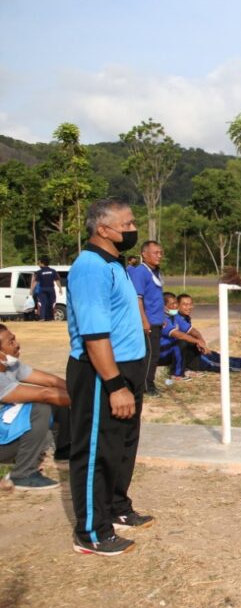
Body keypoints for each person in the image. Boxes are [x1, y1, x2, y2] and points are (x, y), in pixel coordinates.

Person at [66, 198, 152, 556]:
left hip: (127, 368)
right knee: (97, 451)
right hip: (102, 372)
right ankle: (92, 532)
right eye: (126, 224)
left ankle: (116, 506)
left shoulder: (114, 262)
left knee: (122, 445)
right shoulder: (90, 267)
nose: (133, 230)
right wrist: (115, 385)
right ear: (103, 229)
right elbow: (94, 335)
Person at [0, 325, 70, 490]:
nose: (17, 344)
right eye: (11, 342)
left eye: (15, 339)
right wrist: (87, 401)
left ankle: (64, 450)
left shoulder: (11, 366)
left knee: (57, 398)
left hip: (6, 434)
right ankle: (23, 474)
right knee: (40, 407)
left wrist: (78, 391)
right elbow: (44, 394)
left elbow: (50, 381)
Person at [174, 293, 241, 374]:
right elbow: (182, 337)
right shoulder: (176, 318)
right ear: (177, 305)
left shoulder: (185, 317)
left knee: (214, 355)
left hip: (192, 350)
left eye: (190, 304)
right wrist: (198, 343)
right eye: (185, 304)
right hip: (187, 356)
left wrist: (201, 343)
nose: (189, 307)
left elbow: (193, 332)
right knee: (211, 363)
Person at [128, 240, 166, 396]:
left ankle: (149, 383)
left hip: (157, 321)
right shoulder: (140, 272)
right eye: (155, 253)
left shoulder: (155, 272)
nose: (159, 256)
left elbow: (155, 298)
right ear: (144, 254)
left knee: (155, 354)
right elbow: (138, 299)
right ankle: (146, 386)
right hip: (148, 323)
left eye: (160, 253)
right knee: (150, 355)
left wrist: (162, 317)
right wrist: (144, 321)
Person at [29, 256, 61, 322]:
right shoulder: (53, 271)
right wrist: (60, 288)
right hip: (51, 289)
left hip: (42, 289)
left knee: (42, 303)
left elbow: (35, 282)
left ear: (42, 263)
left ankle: (42, 318)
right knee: (51, 303)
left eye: (39, 263)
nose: (38, 265)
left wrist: (32, 290)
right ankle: (51, 318)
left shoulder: (39, 272)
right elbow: (57, 280)